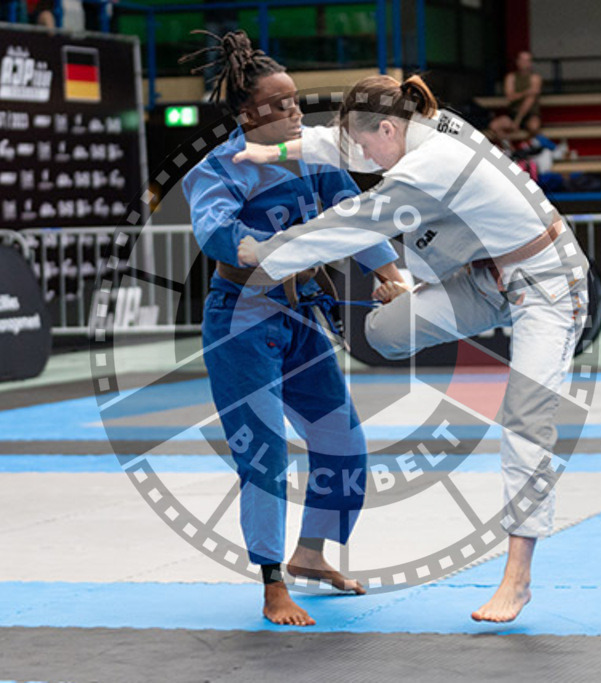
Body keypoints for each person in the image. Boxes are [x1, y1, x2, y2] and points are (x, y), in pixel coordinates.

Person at [236, 74, 589, 624]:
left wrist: (266, 253)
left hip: (546, 284)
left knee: (524, 421)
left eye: (370, 147)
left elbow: (352, 223)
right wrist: (270, 149)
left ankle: (517, 580)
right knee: (381, 333)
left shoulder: (431, 165)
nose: (365, 160)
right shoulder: (406, 128)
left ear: (387, 128)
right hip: (480, 279)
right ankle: (424, 288)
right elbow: (336, 141)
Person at [179, 31, 403, 626]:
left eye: (297, 101)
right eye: (280, 105)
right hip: (242, 322)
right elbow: (216, 230)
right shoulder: (215, 170)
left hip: (302, 314)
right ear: (248, 114)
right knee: (265, 453)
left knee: (344, 443)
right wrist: (253, 247)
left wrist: (387, 271)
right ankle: (273, 583)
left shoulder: (313, 155)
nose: (295, 112)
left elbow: (351, 212)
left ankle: (311, 554)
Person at [488, 51, 543, 139]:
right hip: (513, 113)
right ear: (517, 61)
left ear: (531, 63)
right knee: (493, 126)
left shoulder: (535, 78)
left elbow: (530, 98)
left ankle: (527, 148)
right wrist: (527, 92)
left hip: (531, 114)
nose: (524, 63)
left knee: (534, 127)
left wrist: (517, 121)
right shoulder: (510, 77)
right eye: (522, 60)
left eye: (527, 60)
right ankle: (510, 147)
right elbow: (510, 97)